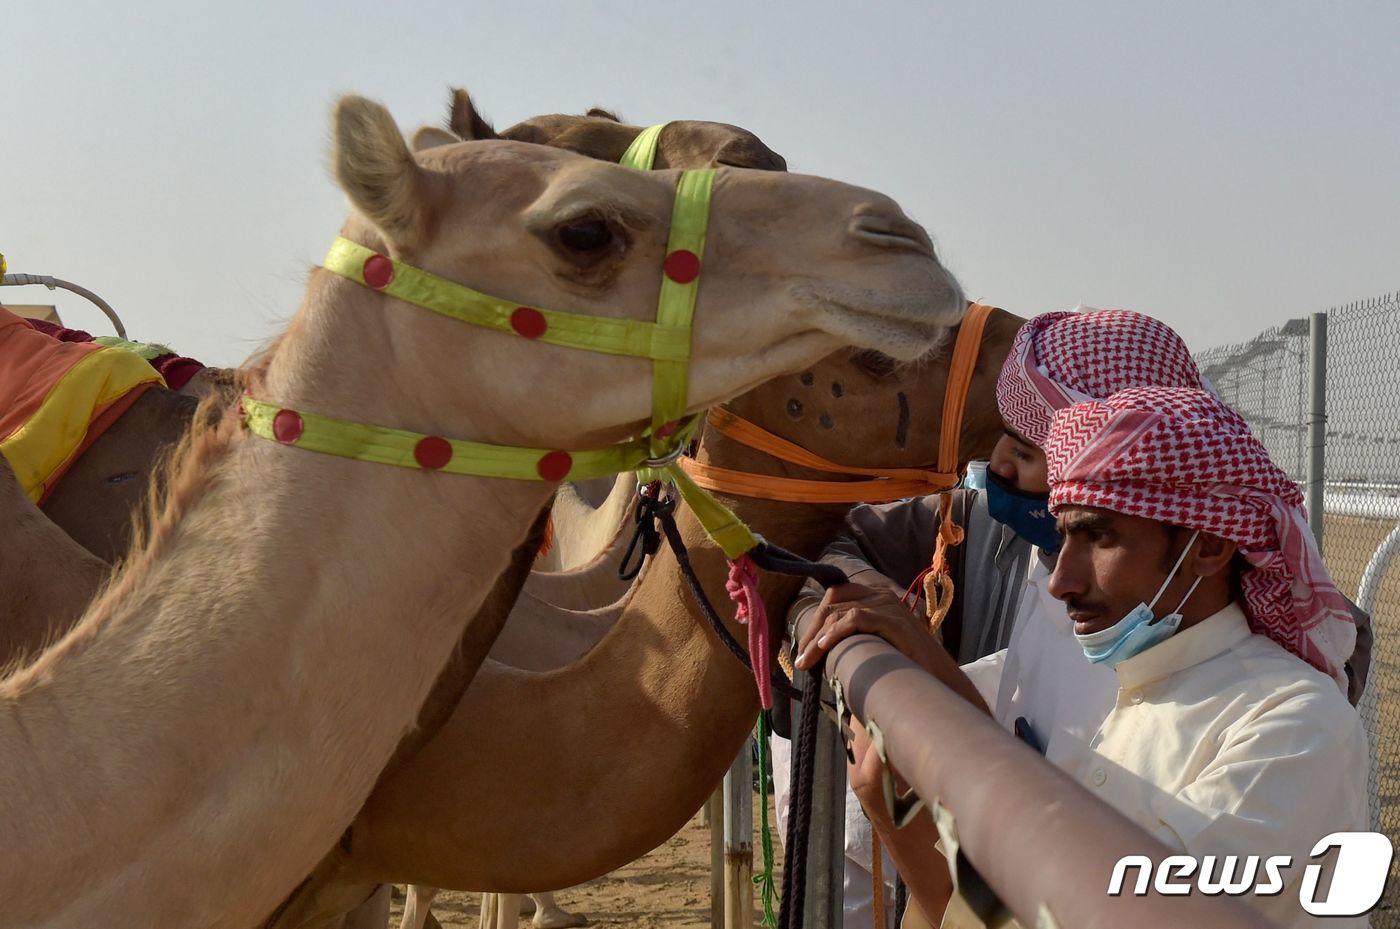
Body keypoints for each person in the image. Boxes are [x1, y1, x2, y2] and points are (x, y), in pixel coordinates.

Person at [772, 307, 1373, 929]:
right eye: (1062, 538)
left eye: (1101, 537)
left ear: (1212, 546)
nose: (1060, 581)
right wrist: (913, 679)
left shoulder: (1293, 729)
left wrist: (914, 820)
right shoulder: (1121, 669)